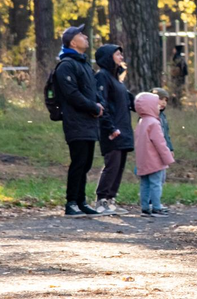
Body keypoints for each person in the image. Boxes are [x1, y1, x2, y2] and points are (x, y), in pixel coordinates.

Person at [53, 25, 110, 217]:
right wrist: (93, 107)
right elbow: (71, 94)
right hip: (75, 121)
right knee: (78, 162)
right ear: (72, 42)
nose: (85, 37)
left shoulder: (85, 64)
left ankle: (81, 201)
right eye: (80, 35)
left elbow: (93, 90)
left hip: (89, 121)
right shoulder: (66, 65)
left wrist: (99, 104)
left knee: (85, 163)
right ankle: (71, 203)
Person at [94, 44, 135, 214]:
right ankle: (101, 200)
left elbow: (129, 102)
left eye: (121, 54)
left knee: (119, 166)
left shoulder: (118, 80)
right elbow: (102, 104)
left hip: (124, 129)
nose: (121, 57)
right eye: (117, 54)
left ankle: (111, 200)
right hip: (112, 130)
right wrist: (110, 127)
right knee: (112, 165)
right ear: (108, 57)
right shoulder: (102, 77)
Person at [134, 92, 175, 217]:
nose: (159, 107)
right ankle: (157, 207)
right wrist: (168, 158)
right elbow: (160, 143)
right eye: (157, 105)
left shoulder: (141, 122)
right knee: (156, 184)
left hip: (143, 160)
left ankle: (145, 207)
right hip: (155, 161)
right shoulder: (154, 123)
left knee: (144, 184)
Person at [151, 87, 174, 154]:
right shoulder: (148, 116)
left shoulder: (163, 116)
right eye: (161, 99)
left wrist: (170, 148)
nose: (164, 102)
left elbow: (166, 134)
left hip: (163, 150)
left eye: (166, 100)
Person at [170, 44, 189, 108]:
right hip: (180, 78)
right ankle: (177, 104)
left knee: (176, 91)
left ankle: (176, 104)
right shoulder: (181, 59)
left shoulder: (176, 58)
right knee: (178, 91)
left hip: (176, 78)